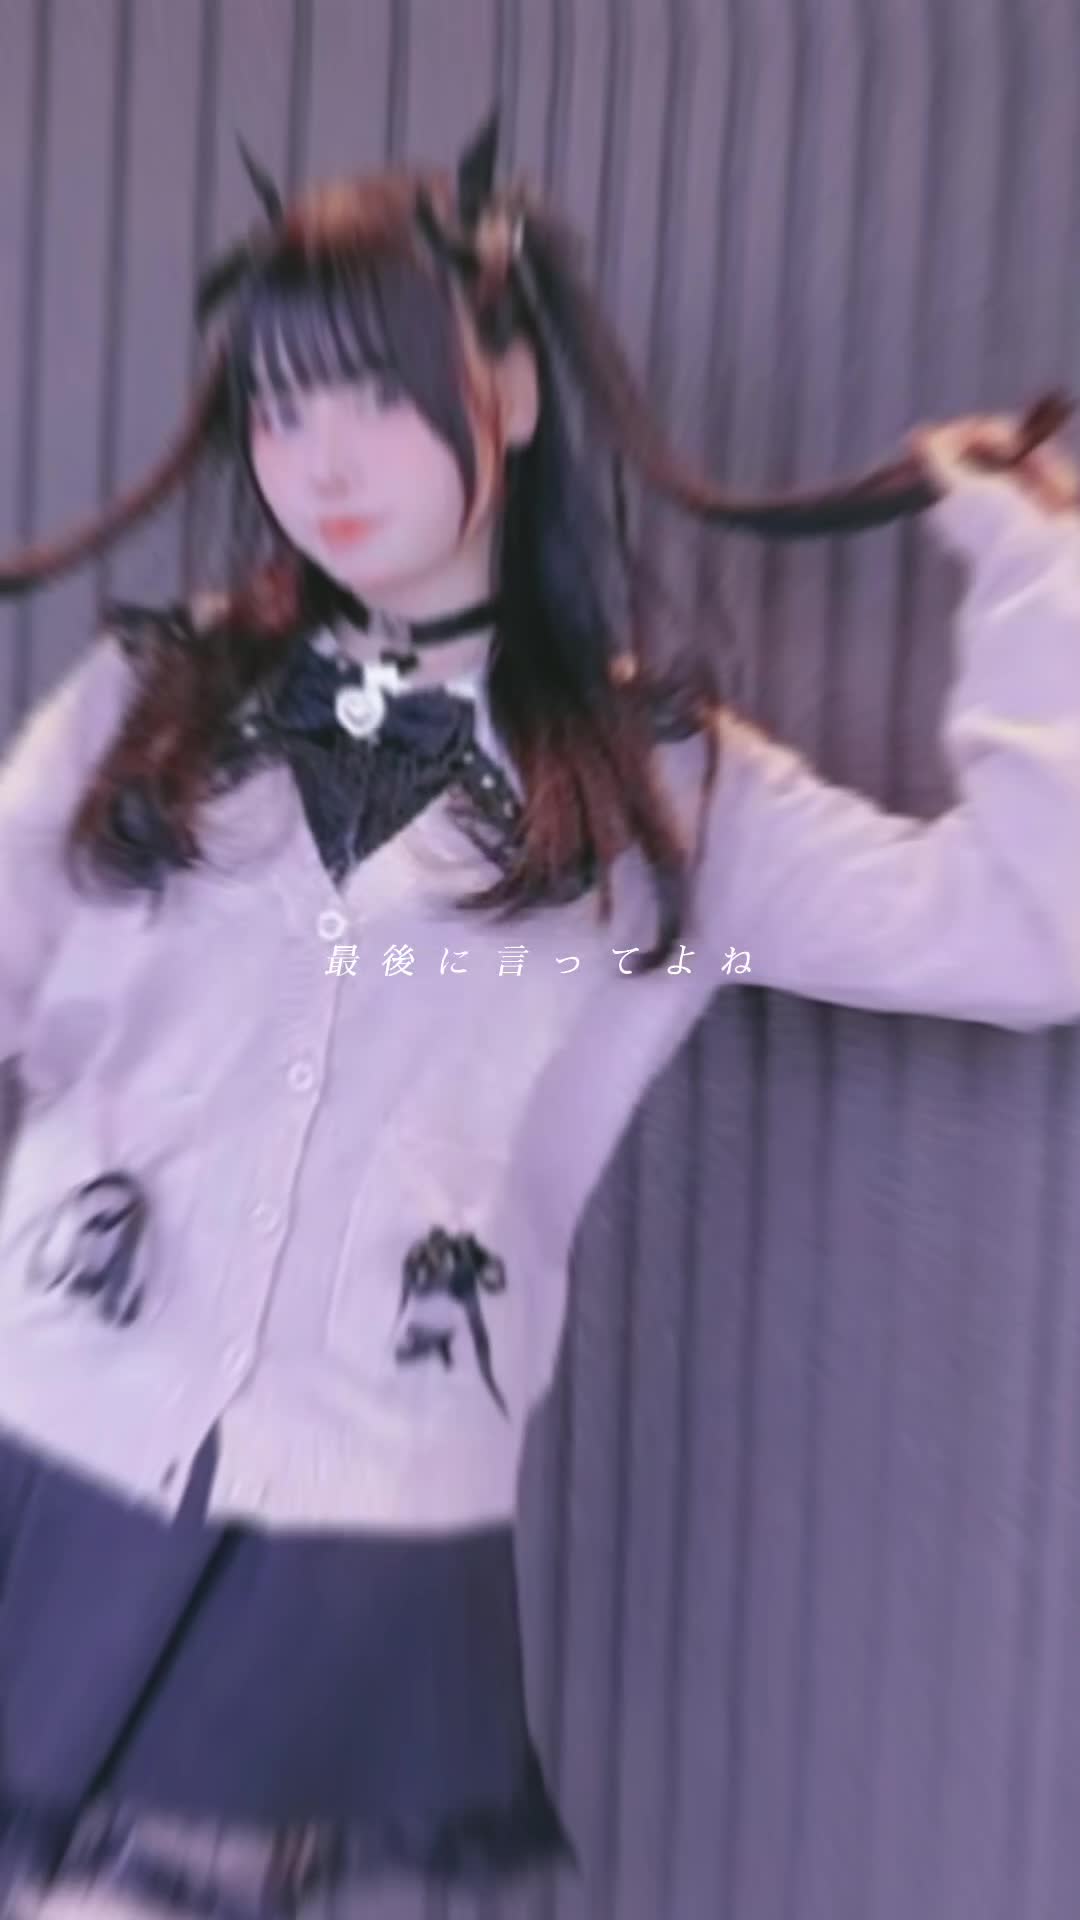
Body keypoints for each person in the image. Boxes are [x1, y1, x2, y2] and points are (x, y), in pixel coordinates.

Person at [0, 120, 1078, 1920]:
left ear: (503, 386)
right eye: (278, 407)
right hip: (43, 1425)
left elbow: (1033, 933)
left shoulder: (665, 792)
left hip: (347, 1517)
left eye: (374, 396)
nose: (319, 461)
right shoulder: (153, 696)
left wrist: (1037, 575)